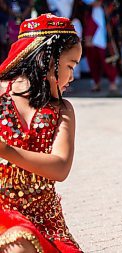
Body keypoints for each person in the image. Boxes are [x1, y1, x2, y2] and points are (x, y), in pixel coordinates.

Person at [0, 13, 82, 252]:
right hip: (3, 213)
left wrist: (5, 150)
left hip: (46, 221)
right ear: (49, 60)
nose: (73, 77)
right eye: (70, 66)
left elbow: (60, 167)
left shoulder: (62, 110)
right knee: (18, 242)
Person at [77, 0, 119, 92]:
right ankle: (96, 81)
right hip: (89, 24)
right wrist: (89, 5)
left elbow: (114, 4)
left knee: (105, 52)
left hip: (104, 26)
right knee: (92, 53)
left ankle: (112, 81)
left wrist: (103, 5)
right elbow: (78, 6)